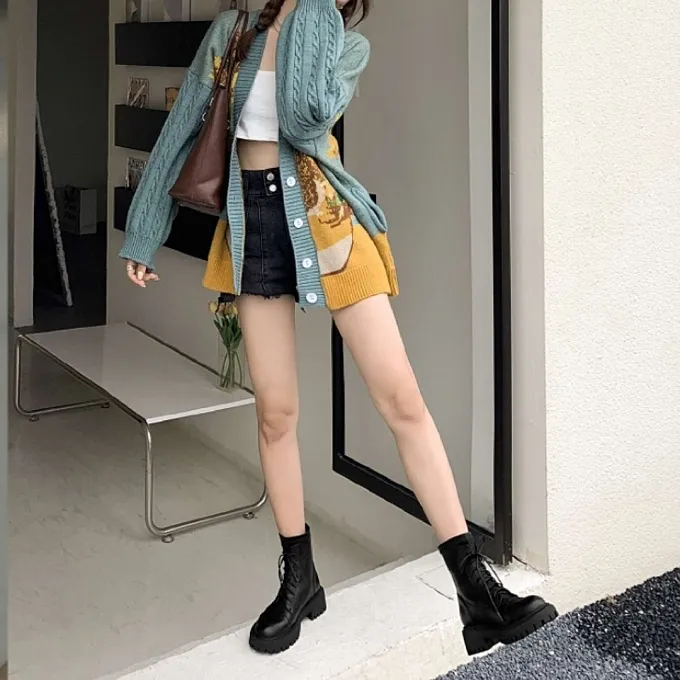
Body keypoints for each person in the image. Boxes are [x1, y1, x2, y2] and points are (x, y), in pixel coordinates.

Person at [120, 0, 558, 657]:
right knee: (276, 415)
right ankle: (299, 579)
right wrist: (143, 233)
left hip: (327, 223)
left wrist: (312, 11)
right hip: (253, 226)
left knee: (402, 402)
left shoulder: (343, 42)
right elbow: (182, 128)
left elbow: (305, 119)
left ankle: (477, 592)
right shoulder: (230, 32)